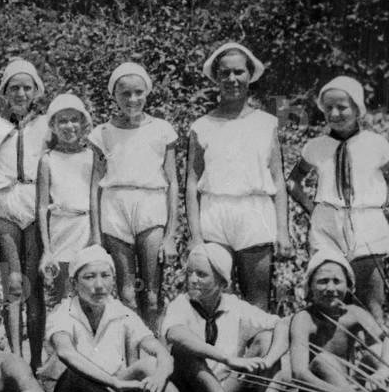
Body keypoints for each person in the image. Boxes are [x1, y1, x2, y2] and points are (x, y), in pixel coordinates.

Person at [42, 246, 201, 392]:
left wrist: (159, 375)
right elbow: (66, 352)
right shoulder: (63, 312)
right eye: (89, 277)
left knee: (150, 364)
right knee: (76, 373)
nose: (99, 284)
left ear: (113, 280)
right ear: (74, 283)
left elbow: (160, 352)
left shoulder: (121, 312)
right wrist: (114, 382)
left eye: (105, 275)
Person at [186, 42, 292, 309]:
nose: (232, 79)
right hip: (214, 214)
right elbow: (191, 183)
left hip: (255, 214)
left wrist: (282, 231)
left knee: (256, 300)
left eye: (238, 72)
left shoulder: (267, 124)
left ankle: (258, 351)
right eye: (225, 73)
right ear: (216, 78)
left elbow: (278, 180)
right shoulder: (201, 126)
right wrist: (196, 236)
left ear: (249, 75)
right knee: (210, 299)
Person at [287, 76, 389, 323]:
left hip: (366, 221)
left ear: (357, 108)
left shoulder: (375, 143)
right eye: (328, 108)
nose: (335, 113)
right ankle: (331, 356)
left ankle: (374, 357)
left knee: (371, 300)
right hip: (327, 224)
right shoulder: (316, 146)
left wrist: (380, 207)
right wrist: (311, 209)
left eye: (342, 106)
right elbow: (293, 181)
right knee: (329, 297)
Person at [162, 243, 288, 392]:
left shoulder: (234, 306)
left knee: (266, 339)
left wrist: (269, 359)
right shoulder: (181, 304)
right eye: (189, 273)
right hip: (192, 390)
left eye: (201, 274)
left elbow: (283, 325)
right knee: (184, 350)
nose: (193, 280)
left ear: (222, 282)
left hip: (227, 388)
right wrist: (226, 359)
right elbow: (174, 334)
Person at [90, 62, 180, 324]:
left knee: (152, 295)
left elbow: (173, 182)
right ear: (114, 96)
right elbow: (95, 186)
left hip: (150, 207)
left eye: (138, 92)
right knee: (127, 295)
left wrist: (171, 234)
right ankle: (133, 356)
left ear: (147, 92)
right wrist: (96, 236)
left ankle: (156, 357)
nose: (132, 99)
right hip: (115, 209)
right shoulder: (102, 133)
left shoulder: (162, 130)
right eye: (125, 94)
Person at [0, 58, 48, 367]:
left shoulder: (46, 126)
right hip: (4, 207)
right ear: (5, 92)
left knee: (35, 287)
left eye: (26, 87)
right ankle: (16, 361)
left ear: (36, 91)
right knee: (14, 285)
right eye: (14, 88)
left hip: (34, 205)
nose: (20, 93)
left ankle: (34, 360)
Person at [289, 250, 386, 392]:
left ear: (348, 286)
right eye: (322, 281)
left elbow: (384, 342)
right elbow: (299, 374)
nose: (330, 288)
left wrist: (382, 372)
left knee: (379, 351)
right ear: (310, 287)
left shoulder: (354, 313)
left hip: (349, 388)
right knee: (324, 360)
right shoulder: (304, 319)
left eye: (337, 281)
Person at [36, 93, 100, 301]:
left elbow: (94, 200)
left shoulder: (91, 157)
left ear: (83, 124)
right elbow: (42, 206)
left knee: (88, 291)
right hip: (60, 229)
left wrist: (96, 238)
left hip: (85, 229)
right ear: (53, 126)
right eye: (62, 121)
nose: (69, 126)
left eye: (74, 120)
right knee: (62, 293)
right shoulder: (48, 159)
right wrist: (47, 250)